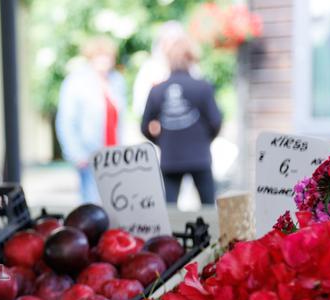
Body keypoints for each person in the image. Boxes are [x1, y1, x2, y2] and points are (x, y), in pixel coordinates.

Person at [141, 34, 222, 205]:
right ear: (192, 58)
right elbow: (215, 121)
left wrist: (161, 140)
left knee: (169, 210)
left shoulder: (157, 90)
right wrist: (204, 139)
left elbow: (144, 126)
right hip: (199, 156)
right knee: (208, 207)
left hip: (171, 157)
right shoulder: (202, 87)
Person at [56, 37, 127, 204]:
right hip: (89, 155)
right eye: (100, 56)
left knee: (115, 202)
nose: (104, 61)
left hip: (113, 155)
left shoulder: (116, 81)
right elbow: (66, 121)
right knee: (92, 205)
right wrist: (76, 153)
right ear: (91, 58)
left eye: (108, 56)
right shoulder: (76, 82)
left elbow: (119, 120)